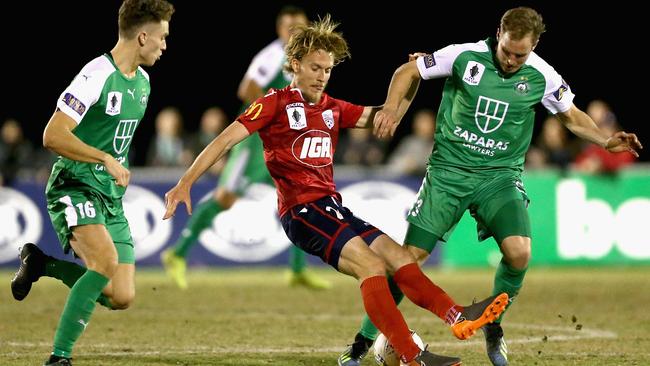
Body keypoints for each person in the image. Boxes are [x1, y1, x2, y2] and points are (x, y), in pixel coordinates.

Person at [163, 15, 509, 366]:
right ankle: (411, 354)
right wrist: (185, 182)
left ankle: (457, 317)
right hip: (302, 213)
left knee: (399, 258)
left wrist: (415, 77)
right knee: (372, 266)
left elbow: (388, 116)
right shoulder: (274, 103)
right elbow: (225, 140)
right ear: (295, 65)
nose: (322, 75)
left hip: (333, 209)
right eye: (315, 67)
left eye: (327, 69)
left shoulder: (332, 109)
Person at [338, 7, 643, 366]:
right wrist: (391, 108)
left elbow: (571, 116)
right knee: (408, 260)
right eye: (508, 51)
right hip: (448, 173)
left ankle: (492, 322)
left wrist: (606, 141)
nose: (513, 60)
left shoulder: (542, 75)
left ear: (535, 45)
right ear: (499, 33)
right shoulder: (463, 55)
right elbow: (407, 71)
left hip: (499, 177)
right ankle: (362, 341)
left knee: (519, 253)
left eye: (521, 54)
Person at [9, 1, 174, 365]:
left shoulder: (143, 83)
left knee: (122, 295)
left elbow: (113, 138)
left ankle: (41, 264)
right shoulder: (96, 74)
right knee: (104, 262)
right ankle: (59, 357)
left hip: (108, 196)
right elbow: (53, 135)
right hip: (74, 183)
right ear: (143, 36)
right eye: (162, 37)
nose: (165, 45)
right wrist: (103, 159)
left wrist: (115, 169)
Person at [160, 5, 331, 291]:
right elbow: (247, 88)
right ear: (279, 30)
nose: (293, 32)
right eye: (288, 27)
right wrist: (273, 113)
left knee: (300, 197)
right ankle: (177, 253)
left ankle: (297, 269)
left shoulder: (306, 59)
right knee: (226, 198)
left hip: (284, 141)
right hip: (255, 140)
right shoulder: (274, 54)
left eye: (298, 27)